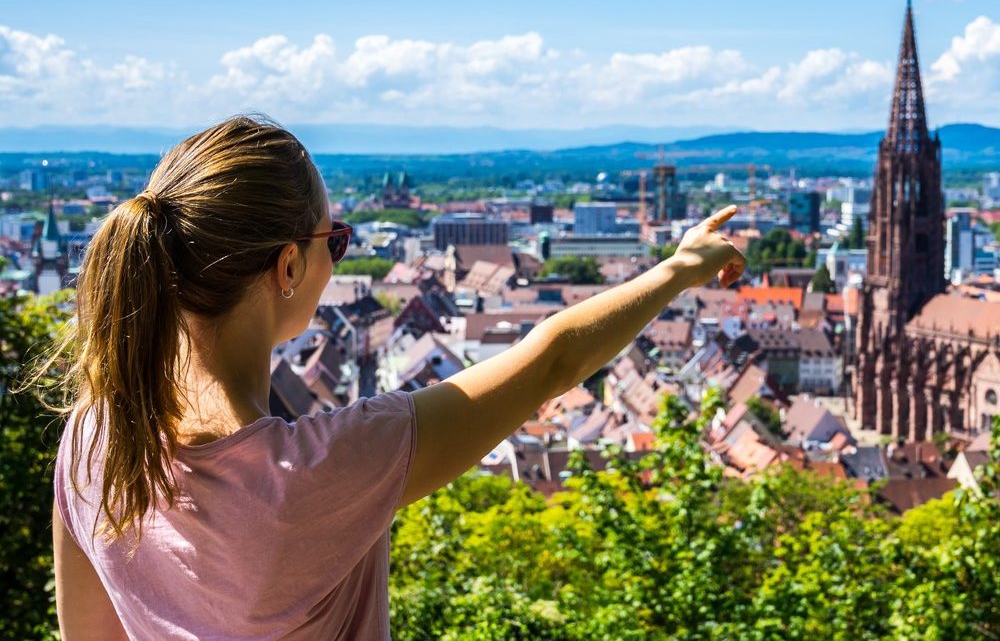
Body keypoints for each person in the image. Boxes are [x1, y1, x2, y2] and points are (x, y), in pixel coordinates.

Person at [48, 115, 746, 640]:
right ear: (288, 267)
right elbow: (554, 361)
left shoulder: (90, 439)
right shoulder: (319, 469)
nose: (339, 259)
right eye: (336, 240)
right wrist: (682, 267)